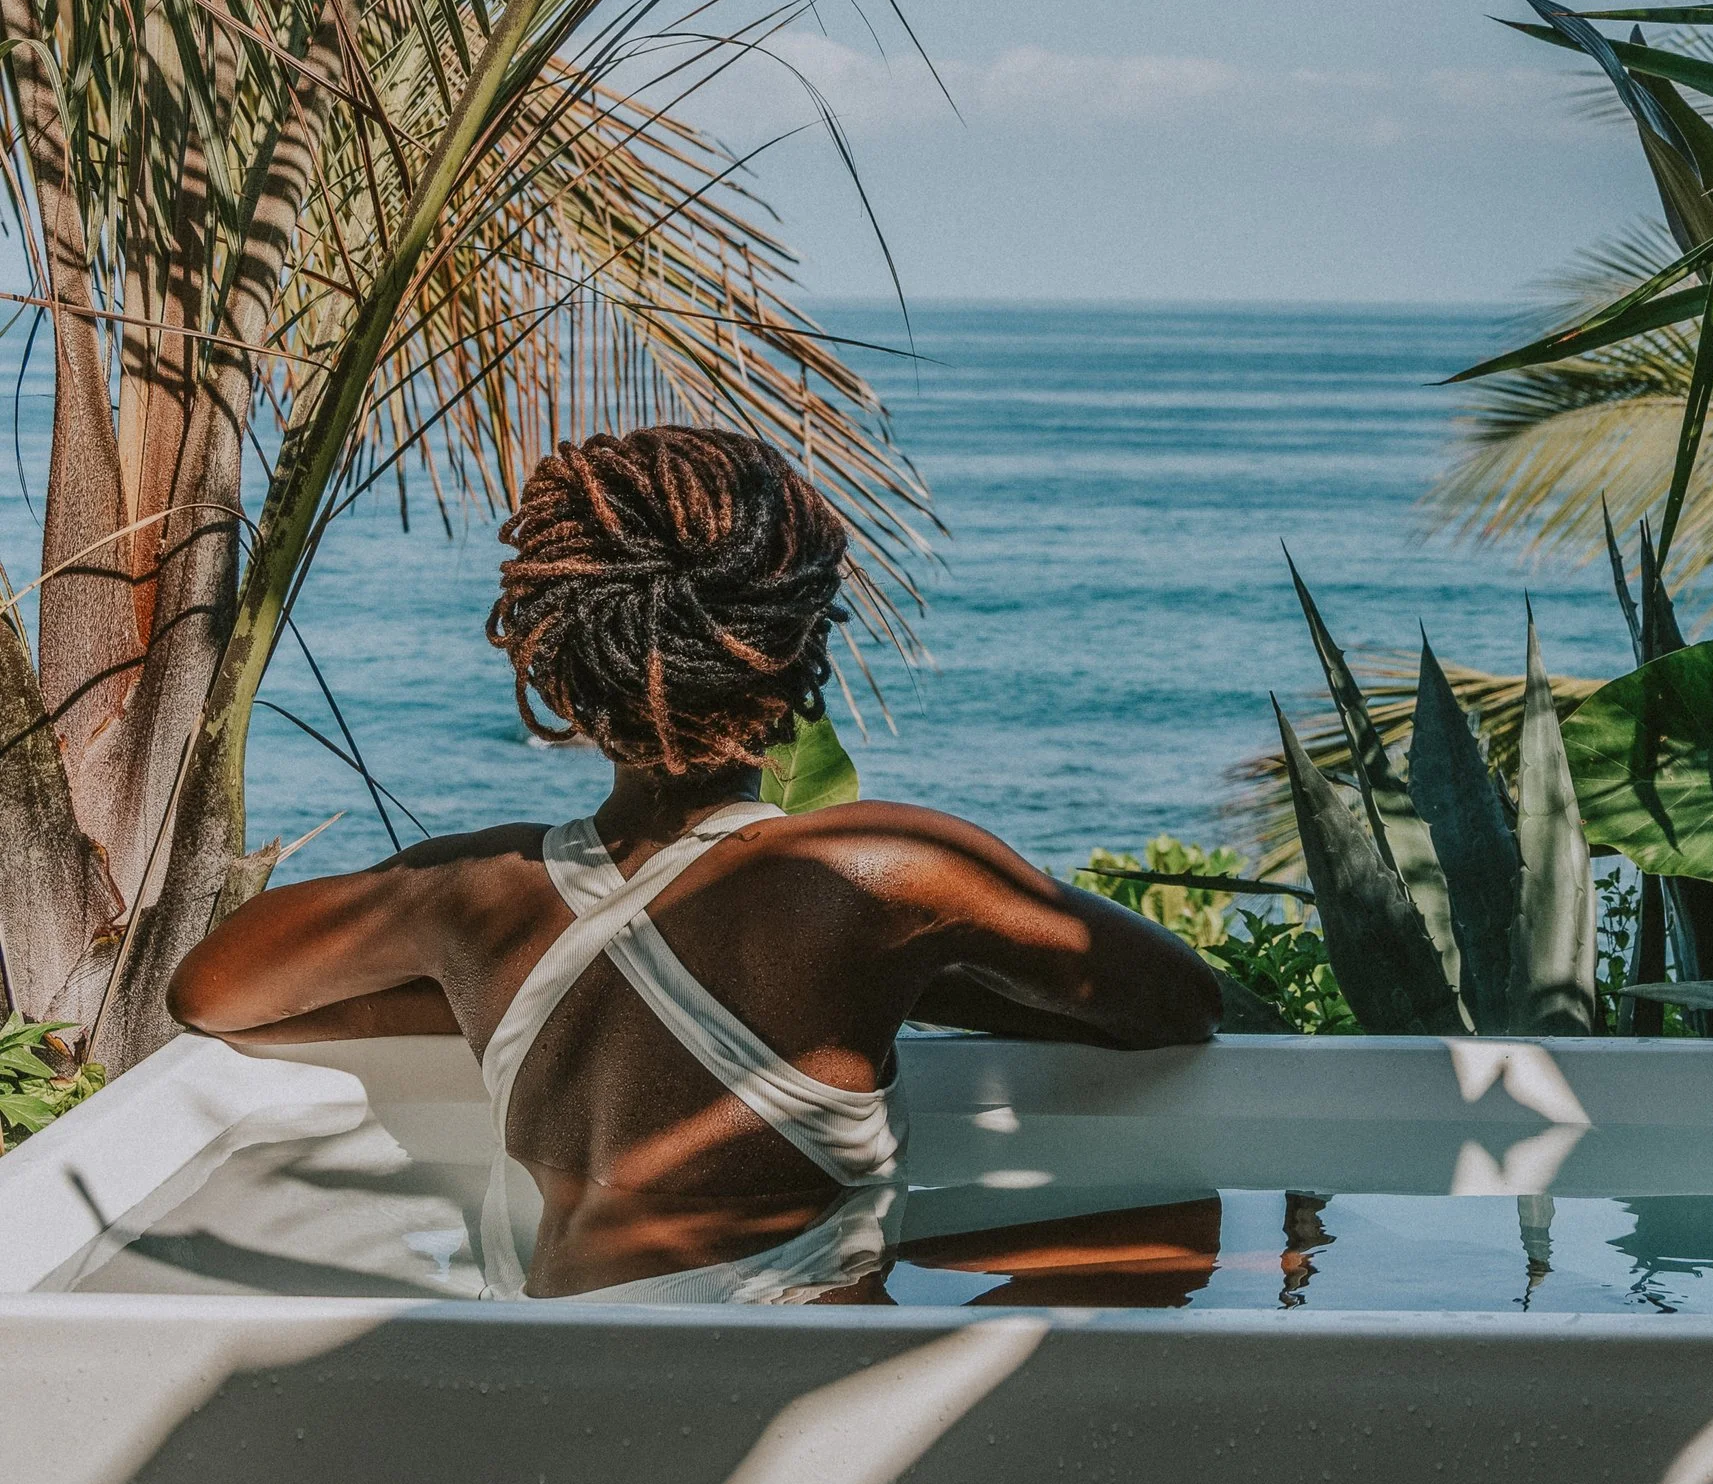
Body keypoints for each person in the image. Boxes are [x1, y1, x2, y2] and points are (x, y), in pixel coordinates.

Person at [170, 425, 1219, 1300]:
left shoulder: (471, 895)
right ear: (796, 660)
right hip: (766, 1390)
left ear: (566, 673)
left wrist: (483, 1004)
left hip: (536, 1348)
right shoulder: (882, 871)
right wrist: (900, 987)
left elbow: (209, 994)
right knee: (1192, 1224)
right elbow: (1176, 1006)